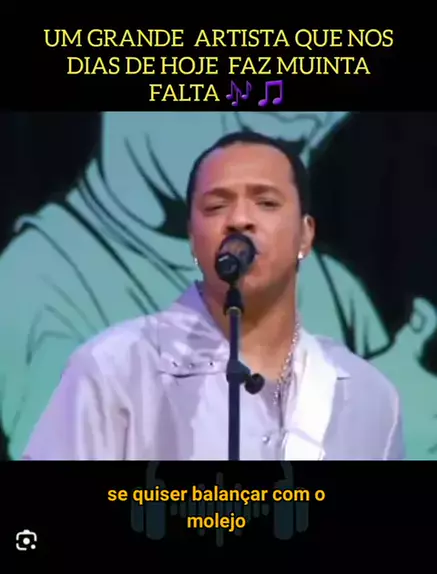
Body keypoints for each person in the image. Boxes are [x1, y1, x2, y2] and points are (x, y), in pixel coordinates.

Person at [23, 131, 405, 460]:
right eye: (216, 206)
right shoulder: (113, 370)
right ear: (193, 239)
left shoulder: (369, 396)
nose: (239, 220)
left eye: (267, 202)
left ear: (305, 235)